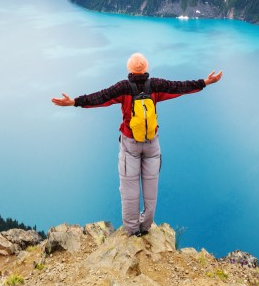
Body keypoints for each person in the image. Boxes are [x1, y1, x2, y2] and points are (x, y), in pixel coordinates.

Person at [52, 52, 223, 236]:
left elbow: (100, 97)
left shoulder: (123, 87)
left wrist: (74, 102)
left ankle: (133, 231)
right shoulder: (156, 85)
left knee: (129, 190)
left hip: (130, 144)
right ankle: (145, 227)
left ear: (129, 69)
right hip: (152, 144)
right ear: (146, 68)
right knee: (151, 190)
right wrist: (204, 82)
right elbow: (179, 87)